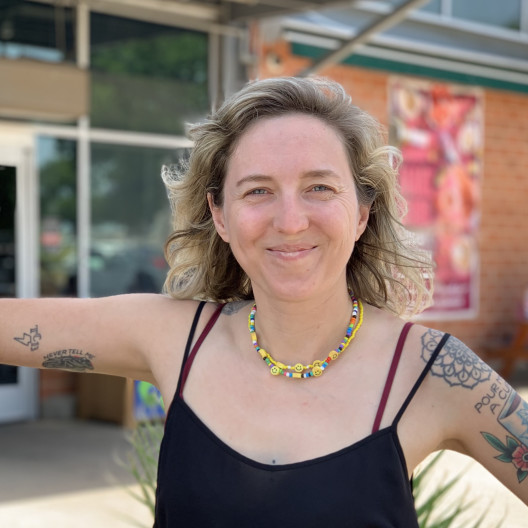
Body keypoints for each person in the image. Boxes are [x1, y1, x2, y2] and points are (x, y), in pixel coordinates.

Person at [1, 76, 527, 527]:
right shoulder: (172, 338)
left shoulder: (433, 373)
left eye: (319, 187)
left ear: (363, 212)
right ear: (222, 215)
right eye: (257, 191)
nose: (291, 221)